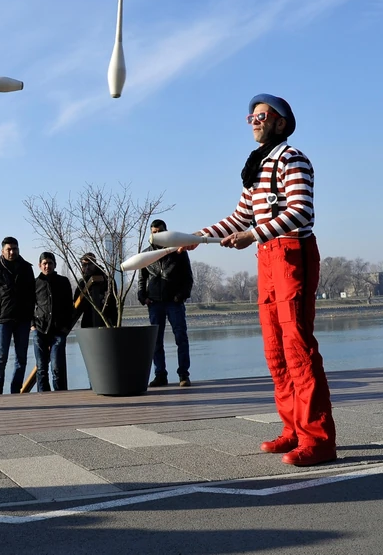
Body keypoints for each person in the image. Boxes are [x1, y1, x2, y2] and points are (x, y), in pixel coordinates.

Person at [183, 93, 336, 467]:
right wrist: (198, 236)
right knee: (275, 349)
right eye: (250, 116)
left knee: (297, 347)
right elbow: (240, 217)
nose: (253, 121)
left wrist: (253, 235)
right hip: (267, 257)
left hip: (292, 253)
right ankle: (293, 430)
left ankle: (318, 440)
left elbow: (301, 211)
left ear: (280, 123)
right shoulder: (256, 165)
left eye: (261, 116)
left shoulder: (292, 158)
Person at [139, 220, 194, 388]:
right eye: (154, 232)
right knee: (156, 341)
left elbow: (188, 278)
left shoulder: (179, 252)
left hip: (174, 302)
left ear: (166, 231)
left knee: (181, 338)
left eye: (160, 231)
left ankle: (183, 375)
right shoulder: (146, 254)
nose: (157, 234)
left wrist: (181, 296)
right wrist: (143, 297)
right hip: (154, 303)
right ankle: (160, 375)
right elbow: (142, 279)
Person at [0, 237, 35, 394]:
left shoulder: (26, 268)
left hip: (23, 319)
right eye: (9, 249)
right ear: (2, 251)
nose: (12, 252)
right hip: (3, 320)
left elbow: (32, 293)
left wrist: (30, 314)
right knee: (1, 358)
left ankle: (15, 391)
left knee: (21, 358)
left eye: (15, 249)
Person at [31, 252, 75, 392]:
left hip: (58, 330)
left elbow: (70, 306)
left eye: (50, 263)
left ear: (55, 265)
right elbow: (28, 306)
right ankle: (43, 397)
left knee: (57, 368)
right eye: (44, 263)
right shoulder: (35, 284)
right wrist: (32, 325)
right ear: (39, 265)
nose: (47, 266)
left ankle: (60, 395)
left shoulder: (63, 282)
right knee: (41, 368)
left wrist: (66, 328)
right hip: (40, 329)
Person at [72, 253, 118, 328]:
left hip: (106, 320)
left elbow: (113, 302)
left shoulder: (107, 280)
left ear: (95, 264)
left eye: (90, 264)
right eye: (84, 265)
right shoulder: (82, 282)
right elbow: (76, 303)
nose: (87, 267)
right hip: (88, 321)